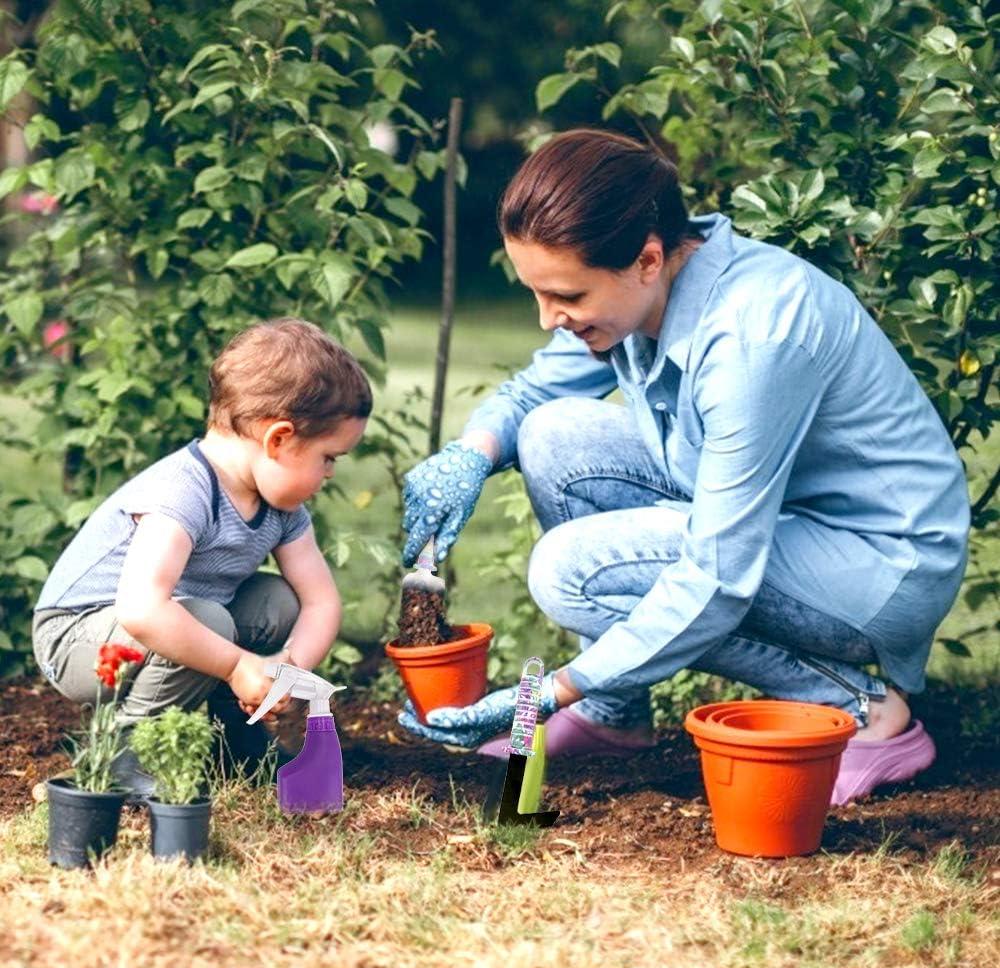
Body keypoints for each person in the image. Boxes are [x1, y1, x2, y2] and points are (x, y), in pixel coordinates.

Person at [397, 129, 970, 805]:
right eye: (537, 294)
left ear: (645, 258)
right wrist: (472, 453)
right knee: (551, 435)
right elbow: (530, 398)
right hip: (790, 521)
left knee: (569, 571)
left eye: (568, 297)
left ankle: (865, 711)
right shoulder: (644, 290)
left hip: (879, 565)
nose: (549, 318)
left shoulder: (752, 334)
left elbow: (718, 575)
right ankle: (618, 714)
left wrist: (559, 687)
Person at [32, 318, 370, 798]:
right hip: (76, 638)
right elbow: (142, 610)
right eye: (329, 457)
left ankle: (235, 743)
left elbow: (320, 602)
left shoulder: (283, 507)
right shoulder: (185, 491)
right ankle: (125, 754)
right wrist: (237, 667)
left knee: (277, 599)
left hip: (168, 622)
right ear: (278, 439)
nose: (331, 473)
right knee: (208, 622)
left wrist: (282, 672)